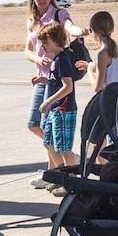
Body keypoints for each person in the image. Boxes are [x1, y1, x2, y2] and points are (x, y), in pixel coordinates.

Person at [24, 0, 86, 189]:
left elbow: (69, 27)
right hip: (45, 78)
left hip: (57, 81)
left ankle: (56, 171)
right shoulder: (32, 20)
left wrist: (79, 32)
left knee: (46, 128)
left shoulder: (58, 15)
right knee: (36, 126)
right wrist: (38, 60)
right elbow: (27, 50)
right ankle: (57, 169)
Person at [36, 22, 77, 196]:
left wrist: (48, 102)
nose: (43, 46)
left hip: (63, 109)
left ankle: (71, 182)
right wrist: (44, 81)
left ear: (56, 40)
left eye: (46, 42)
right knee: (49, 143)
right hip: (55, 109)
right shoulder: (55, 60)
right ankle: (60, 175)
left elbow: (68, 86)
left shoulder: (62, 59)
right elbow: (57, 82)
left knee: (64, 148)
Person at [87, 11, 118, 93]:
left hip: (107, 99)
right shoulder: (116, 48)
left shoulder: (103, 54)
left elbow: (98, 88)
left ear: (94, 30)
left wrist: (89, 70)